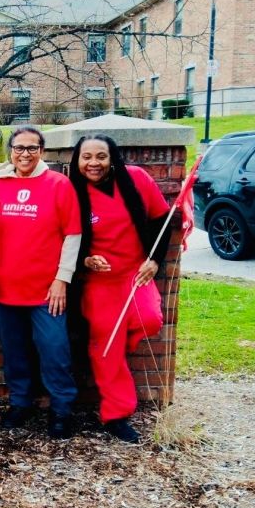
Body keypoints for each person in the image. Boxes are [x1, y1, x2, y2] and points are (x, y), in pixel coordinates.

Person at [0, 126, 82, 439]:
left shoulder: (59, 185)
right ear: (10, 150)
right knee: (15, 352)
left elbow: (72, 235)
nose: (25, 154)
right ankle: (20, 403)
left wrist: (62, 279)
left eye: (32, 148)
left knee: (55, 350)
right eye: (19, 148)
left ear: (42, 151)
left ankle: (61, 408)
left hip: (47, 291)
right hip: (6, 287)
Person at [67, 134, 170, 443]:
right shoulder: (73, 192)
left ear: (112, 158)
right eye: (87, 157)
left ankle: (117, 346)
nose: (93, 163)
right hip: (99, 282)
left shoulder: (136, 179)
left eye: (101, 156)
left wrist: (155, 261)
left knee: (149, 319)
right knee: (106, 348)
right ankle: (116, 413)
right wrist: (86, 259)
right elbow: (64, 239)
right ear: (77, 160)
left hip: (134, 274)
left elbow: (162, 219)